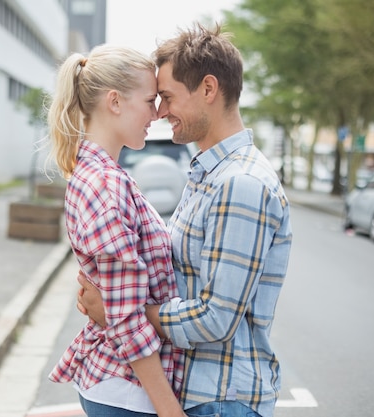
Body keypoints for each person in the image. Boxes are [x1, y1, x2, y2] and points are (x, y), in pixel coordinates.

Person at [78, 24, 293, 417]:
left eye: (167, 97)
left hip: (221, 399)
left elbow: (216, 318)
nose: (160, 111)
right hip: (197, 393)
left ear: (208, 89)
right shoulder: (207, 175)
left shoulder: (240, 184)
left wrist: (120, 314)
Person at [46, 44, 187, 417]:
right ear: (114, 102)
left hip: (123, 386)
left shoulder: (102, 175)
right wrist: (169, 409)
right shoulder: (105, 184)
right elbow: (125, 318)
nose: (157, 113)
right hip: (128, 391)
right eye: (150, 100)